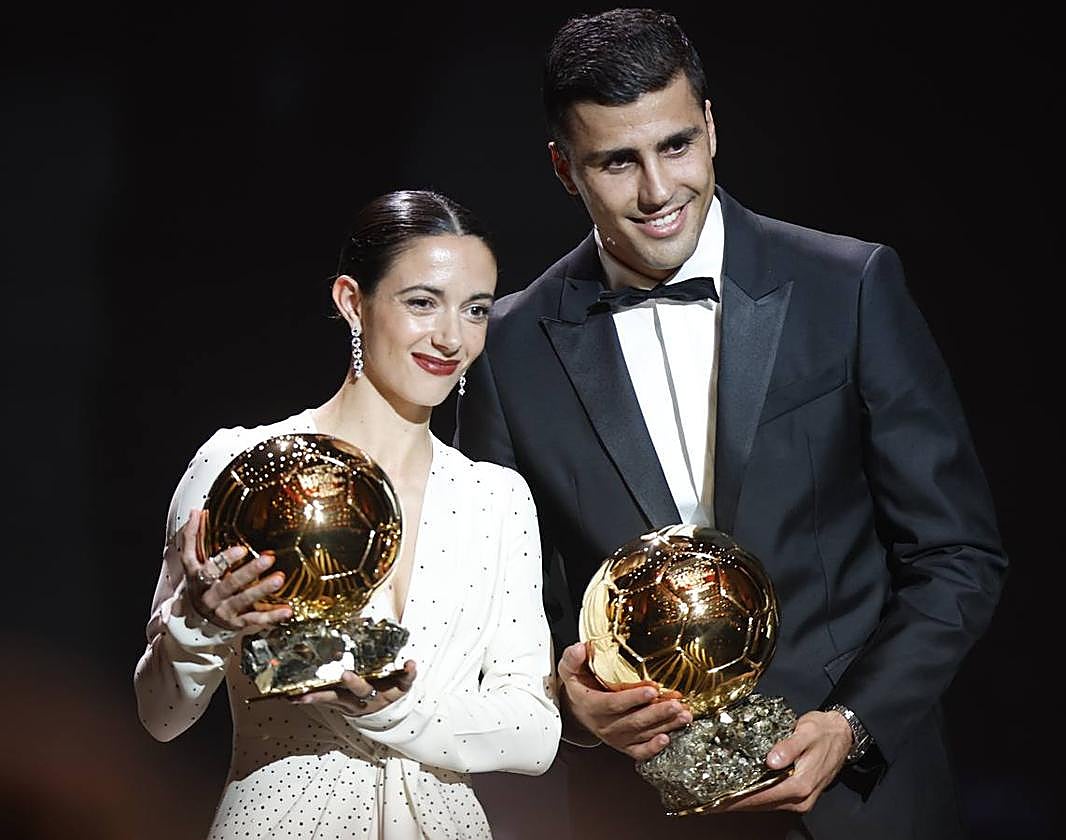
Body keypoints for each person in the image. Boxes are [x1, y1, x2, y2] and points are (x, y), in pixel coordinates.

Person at [456, 9, 1007, 839]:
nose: (657, 192)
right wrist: (570, 706)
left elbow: (957, 555)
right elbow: (499, 612)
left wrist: (851, 726)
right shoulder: (508, 349)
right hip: (639, 811)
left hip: (863, 806)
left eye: (676, 145)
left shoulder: (849, 286)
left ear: (711, 126)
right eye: (617, 161)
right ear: (564, 168)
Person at [134, 190, 561, 840]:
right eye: (422, 302)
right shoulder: (244, 467)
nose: (451, 337)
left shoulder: (494, 499)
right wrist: (199, 623)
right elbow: (160, 716)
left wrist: (398, 709)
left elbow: (535, 732)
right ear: (352, 301)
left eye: (475, 309)